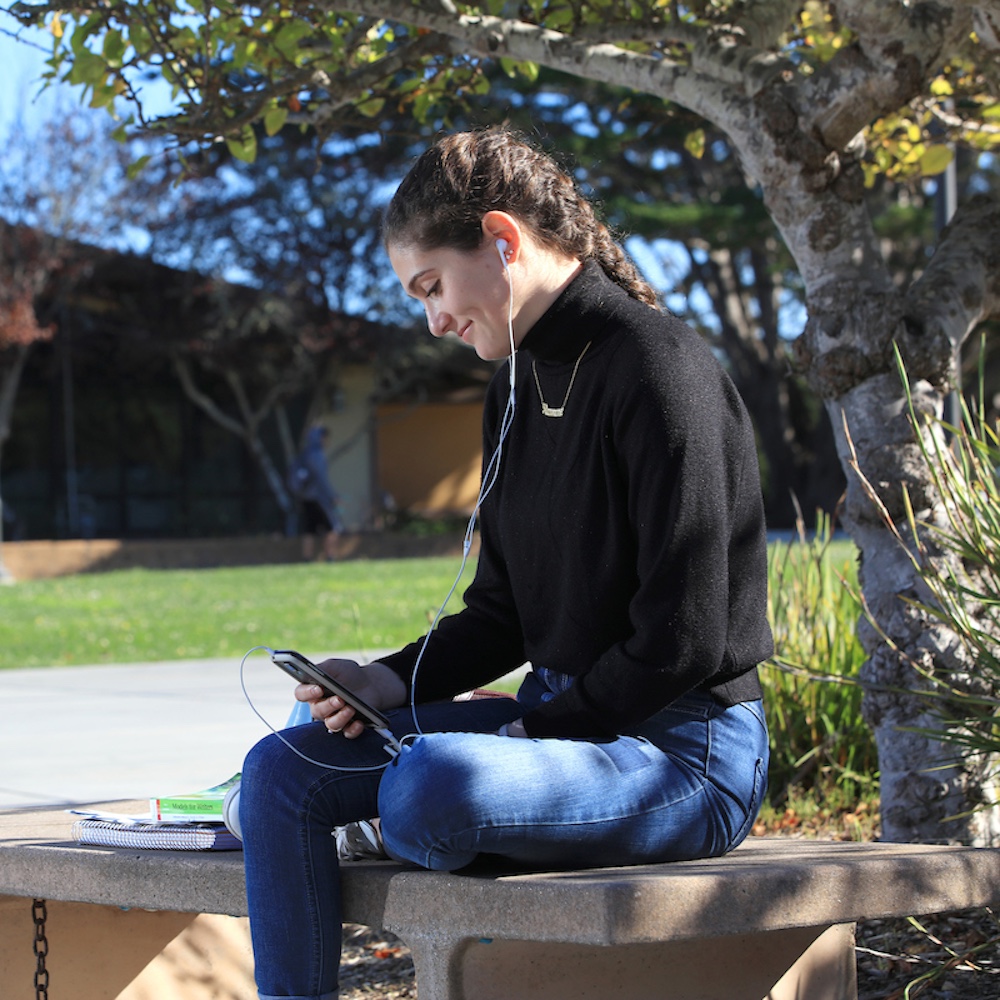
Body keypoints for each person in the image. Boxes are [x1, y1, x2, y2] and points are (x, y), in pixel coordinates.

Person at [239, 127, 773, 1000]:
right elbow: (502, 614)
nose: (433, 319)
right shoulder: (513, 389)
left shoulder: (660, 368)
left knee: (430, 788)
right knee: (284, 771)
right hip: (560, 731)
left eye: (432, 286)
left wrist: (539, 731)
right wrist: (380, 683)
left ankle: (429, 794)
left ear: (501, 238)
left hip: (684, 754)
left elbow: (685, 636)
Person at [288, 425, 342, 561]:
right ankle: (330, 557)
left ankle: (307, 558)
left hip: (305, 498)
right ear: (321, 438)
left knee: (309, 529)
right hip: (319, 499)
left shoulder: (305, 453)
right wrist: (332, 496)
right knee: (331, 527)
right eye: (326, 438)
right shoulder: (317, 455)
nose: (328, 441)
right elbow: (321, 479)